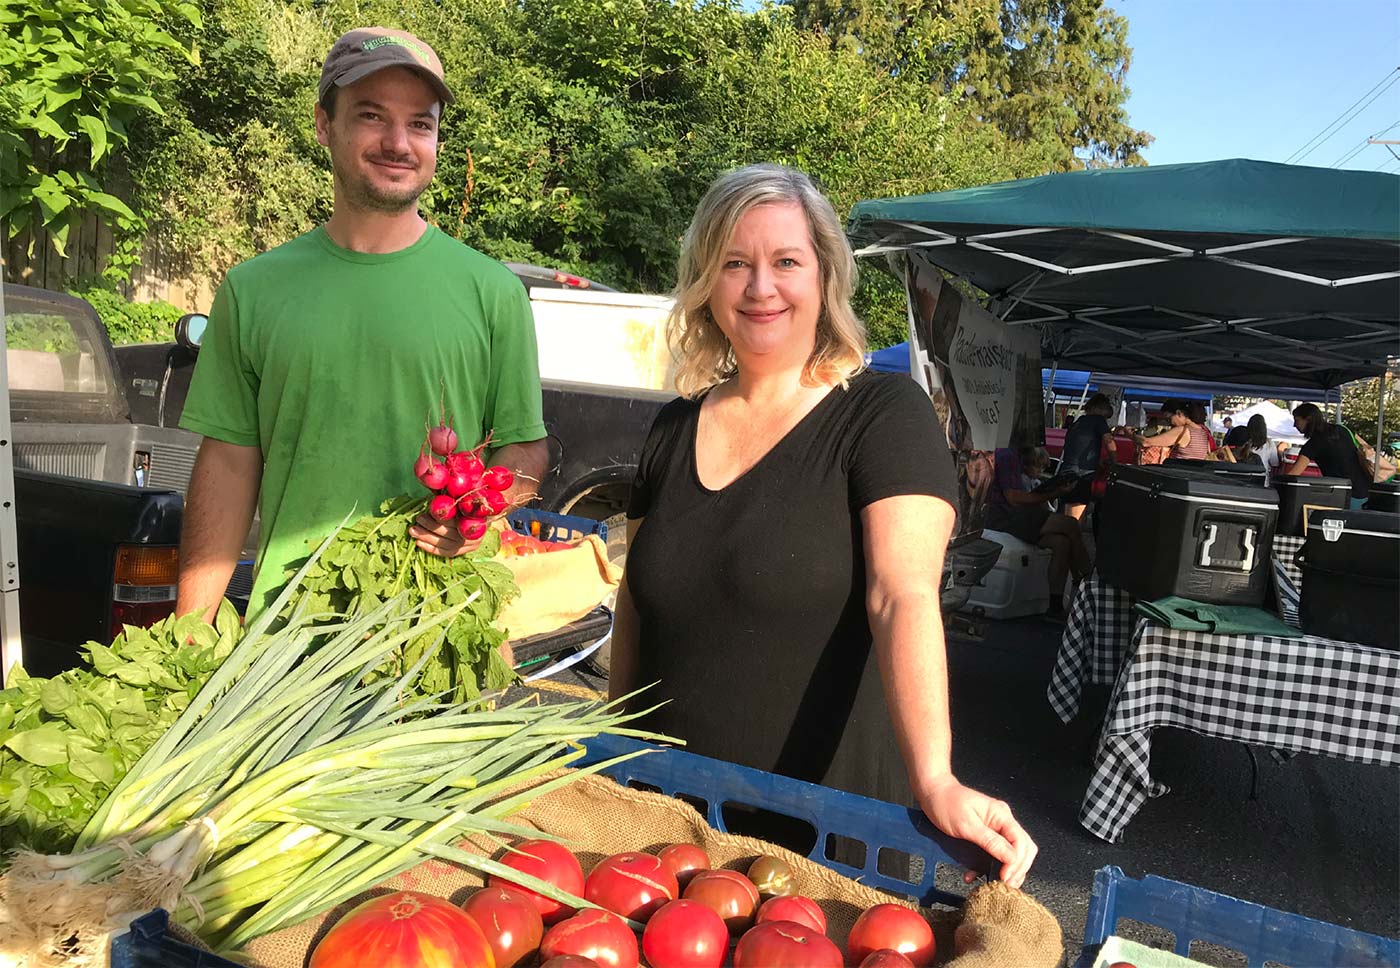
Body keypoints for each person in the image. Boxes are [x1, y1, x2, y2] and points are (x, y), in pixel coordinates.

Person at [609, 164, 1037, 889]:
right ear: (707, 281)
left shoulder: (882, 414)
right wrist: (611, 748)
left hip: (820, 844)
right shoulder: (673, 427)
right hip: (667, 828)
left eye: (786, 262)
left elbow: (902, 596)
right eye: (734, 263)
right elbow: (636, 602)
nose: (760, 287)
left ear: (826, 277)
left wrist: (936, 777)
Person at [176, 27, 548, 621]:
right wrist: (190, 628)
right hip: (286, 638)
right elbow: (227, 463)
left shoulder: (493, 292)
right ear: (325, 125)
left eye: (420, 124)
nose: (399, 142)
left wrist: (477, 515)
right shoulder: (254, 289)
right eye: (372, 116)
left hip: (440, 635)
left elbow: (523, 448)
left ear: (437, 140)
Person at [984, 446, 1090, 619]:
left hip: (1009, 514)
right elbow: (1014, 499)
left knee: (1061, 543)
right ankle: (1087, 580)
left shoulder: (1013, 455)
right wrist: (1054, 493)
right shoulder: (1008, 456)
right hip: (1004, 515)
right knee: (1070, 525)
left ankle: (1055, 606)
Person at [1283, 402, 1371, 504]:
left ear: (1308, 419)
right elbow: (1365, 448)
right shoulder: (1342, 429)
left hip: (1344, 495)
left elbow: (1293, 474)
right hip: (1365, 489)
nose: (1294, 425)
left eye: (1297, 420)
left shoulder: (1313, 444)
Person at [1060, 392, 1117, 521]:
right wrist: (1115, 462)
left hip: (1066, 469)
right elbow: (1109, 441)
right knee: (1076, 515)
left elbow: (1078, 446)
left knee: (1065, 512)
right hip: (1082, 472)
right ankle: (1074, 539)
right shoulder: (1098, 420)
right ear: (1099, 409)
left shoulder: (1078, 422)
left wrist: (1098, 460)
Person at [1134, 400, 1209, 460]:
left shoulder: (1182, 431)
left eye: (1169, 419)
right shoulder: (1202, 431)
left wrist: (1130, 434)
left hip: (1179, 472)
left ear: (1179, 413)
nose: (1169, 423)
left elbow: (1146, 442)